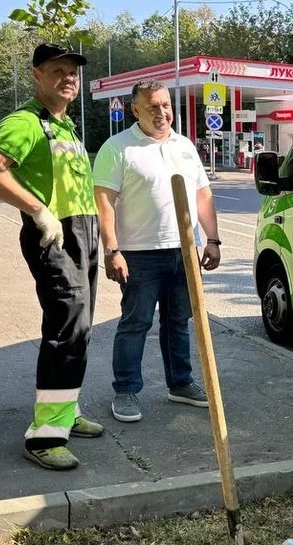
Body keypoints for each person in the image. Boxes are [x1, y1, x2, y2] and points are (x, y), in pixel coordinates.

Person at [0, 43, 105, 471]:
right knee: (67, 327)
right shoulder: (26, 122)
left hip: (85, 234)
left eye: (74, 72)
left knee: (80, 328)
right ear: (37, 75)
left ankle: (65, 412)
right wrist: (38, 210)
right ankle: (44, 438)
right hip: (56, 237)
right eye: (57, 70)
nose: (69, 78)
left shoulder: (65, 126)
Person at [91, 80, 222, 423]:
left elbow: (203, 195)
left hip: (184, 250)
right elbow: (104, 202)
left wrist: (213, 239)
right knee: (137, 322)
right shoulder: (118, 148)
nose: (161, 113)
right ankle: (126, 390)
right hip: (139, 253)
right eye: (152, 107)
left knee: (179, 321)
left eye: (165, 105)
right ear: (135, 110)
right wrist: (111, 249)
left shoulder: (185, 146)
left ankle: (180, 384)